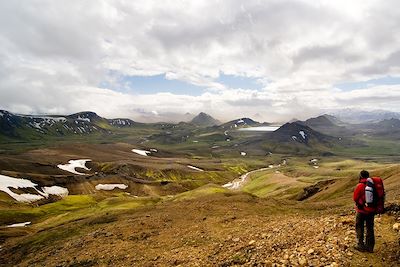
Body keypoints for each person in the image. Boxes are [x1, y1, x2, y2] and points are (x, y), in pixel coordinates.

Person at [353, 170, 375, 252]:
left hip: (361, 211)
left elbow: (355, 198)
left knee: (359, 227)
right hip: (371, 211)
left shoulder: (360, 185)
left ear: (361, 176)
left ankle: (360, 245)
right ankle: (370, 247)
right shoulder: (373, 185)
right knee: (370, 228)